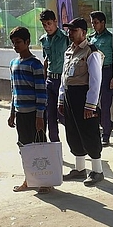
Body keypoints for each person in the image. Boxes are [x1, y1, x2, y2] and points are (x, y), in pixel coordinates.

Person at [57, 17, 105, 186]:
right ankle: (79, 169)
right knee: (73, 131)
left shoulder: (91, 52)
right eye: (69, 30)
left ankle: (97, 170)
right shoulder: (69, 51)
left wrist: (91, 105)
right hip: (70, 95)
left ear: (83, 33)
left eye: (74, 30)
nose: (70, 33)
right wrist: (61, 99)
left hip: (84, 96)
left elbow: (96, 80)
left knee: (89, 131)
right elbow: (65, 77)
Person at [7, 27, 50, 194]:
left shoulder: (35, 64)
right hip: (20, 113)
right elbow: (14, 91)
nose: (15, 45)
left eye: (18, 42)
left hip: (34, 114)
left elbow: (41, 92)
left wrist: (40, 116)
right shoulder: (13, 64)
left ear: (27, 42)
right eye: (13, 43)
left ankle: (45, 181)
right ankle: (29, 179)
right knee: (24, 147)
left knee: (39, 147)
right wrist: (12, 113)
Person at [39, 9, 69, 143]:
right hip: (50, 80)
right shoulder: (43, 40)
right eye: (44, 25)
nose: (47, 27)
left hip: (63, 81)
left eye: (49, 24)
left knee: (64, 115)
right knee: (50, 115)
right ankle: (54, 145)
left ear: (56, 22)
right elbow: (46, 61)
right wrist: (44, 79)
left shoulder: (65, 38)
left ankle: (76, 144)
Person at [88, 11, 113, 146]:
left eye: (96, 22)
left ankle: (106, 135)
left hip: (107, 71)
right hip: (94, 72)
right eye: (92, 22)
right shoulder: (91, 38)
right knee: (92, 103)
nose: (94, 25)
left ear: (103, 23)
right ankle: (104, 125)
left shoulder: (111, 38)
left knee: (105, 104)